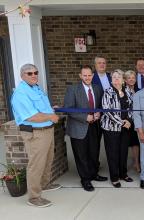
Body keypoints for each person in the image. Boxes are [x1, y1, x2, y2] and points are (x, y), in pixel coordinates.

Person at [11, 64, 61, 208]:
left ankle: (44, 184)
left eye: (35, 72)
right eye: (29, 73)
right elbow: (31, 116)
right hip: (36, 133)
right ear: (22, 76)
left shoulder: (36, 87)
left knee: (48, 159)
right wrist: (51, 117)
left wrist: (51, 110)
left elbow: (41, 108)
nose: (33, 75)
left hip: (47, 130)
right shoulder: (21, 93)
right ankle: (34, 197)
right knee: (36, 164)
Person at [64, 65, 107, 192]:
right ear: (80, 76)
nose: (87, 77)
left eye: (89, 75)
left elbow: (100, 105)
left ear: (92, 76)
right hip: (79, 127)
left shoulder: (98, 88)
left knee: (94, 152)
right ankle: (85, 179)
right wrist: (84, 117)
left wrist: (100, 113)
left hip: (95, 126)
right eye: (85, 75)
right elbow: (69, 109)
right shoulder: (72, 89)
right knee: (81, 155)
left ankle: (94, 174)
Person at [100, 69, 134, 188]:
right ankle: (114, 177)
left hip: (125, 128)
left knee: (123, 152)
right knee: (113, 153)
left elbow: (132, 108)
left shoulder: (128, 92)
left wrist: (129, 120)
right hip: (111, 128)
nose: (116, 80)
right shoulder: (107, 92)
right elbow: (108, 111)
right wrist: (121, 122)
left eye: (118, 77)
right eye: (113, 77)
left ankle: (123, 174)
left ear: (123, 80)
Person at [125, 70, 141, 172]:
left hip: (136, 120)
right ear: (125, 80)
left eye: (133, 78)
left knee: (135, 143)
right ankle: (123, 165)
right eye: (129, 78)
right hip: (126, 120)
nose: (131, 79)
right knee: (125, 143)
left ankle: (136, 163)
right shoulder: (122, 90)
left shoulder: (139, 90)